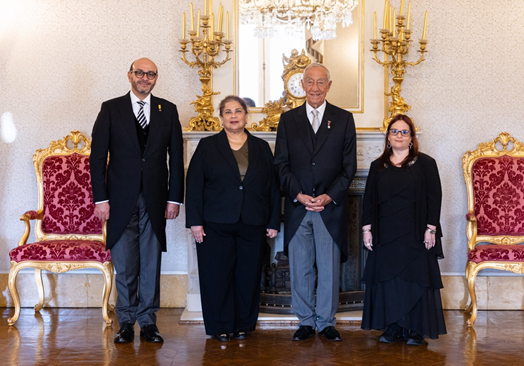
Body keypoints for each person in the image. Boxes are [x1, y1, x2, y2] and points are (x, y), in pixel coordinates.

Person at [90, 58, 184, 344]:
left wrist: (174, 199)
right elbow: (97, 158)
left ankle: (148, 321)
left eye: (151, 74)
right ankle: (126, 322)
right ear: (129, 75)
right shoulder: (110, 108)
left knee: (151, 262)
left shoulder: (167, 110)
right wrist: (100, 198)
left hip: (156, 199)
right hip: (118, 199)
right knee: (125, 262)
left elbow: (176, 159)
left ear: (156, 78)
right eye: (140, 73)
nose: (145, 78)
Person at [186, 95, 281, 342]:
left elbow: (272, 187)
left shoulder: (261, 147)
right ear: (221, 118)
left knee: (247, 276)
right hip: (215, 223)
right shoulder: (207, 146)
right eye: (228, 112)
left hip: (253, 222)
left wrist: (273, 221)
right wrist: (195, 222)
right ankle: (220, 326)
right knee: (217, 276)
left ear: (246, 116)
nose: (233, 116)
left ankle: (243, 325)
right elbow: (194, 186)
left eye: (238, 111)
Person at [274, 63, 357, 341]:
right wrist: (298, 194)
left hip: (329, 208)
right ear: (302, 85)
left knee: (329, 268)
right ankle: (306, 321)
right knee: (300, 267)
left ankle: (326, 321)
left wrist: (329, 195)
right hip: (298, 206)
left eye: (321, 82)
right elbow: (281, 164)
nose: (315, 88)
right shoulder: (288, 120)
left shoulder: (344, 119)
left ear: (329, 86)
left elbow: (349, 168)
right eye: (309, 82)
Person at [361, 114, 446, 346]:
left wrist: (431, 229)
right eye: (394, 131)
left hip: (417, 233)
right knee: (389, 281)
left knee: (415, 280)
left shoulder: (426, 164)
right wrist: (366, 230)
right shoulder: (377, 166)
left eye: (404, 131)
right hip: (385, 234)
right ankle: (393, 327)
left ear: (411, 137)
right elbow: (368, 200)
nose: (399, 135)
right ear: (388, 137)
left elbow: (434, 197)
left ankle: (416, 329)